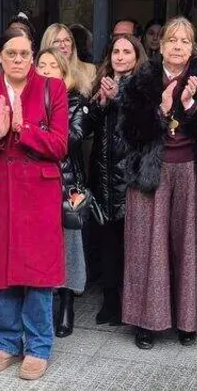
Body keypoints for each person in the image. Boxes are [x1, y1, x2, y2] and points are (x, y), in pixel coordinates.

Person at [0, 27, 69, 381]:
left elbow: (60, 145)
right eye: (11, 53)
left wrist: (24, 129)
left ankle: (38, 345)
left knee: (39, 270)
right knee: (5, 266)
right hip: (2, 190)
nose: (19, 60)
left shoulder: (52, 88)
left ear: (33, 57)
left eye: (25, 54)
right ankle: (7, 341)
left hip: (40, 192)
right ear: (0, 56)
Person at [118, 17, 197, 349]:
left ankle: (186, 321)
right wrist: (160, 110)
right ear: (160, 46)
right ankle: (146, 321)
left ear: (193, 47)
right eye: (172, 40)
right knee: (147, 246)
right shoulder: (140, 81)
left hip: (191, 170)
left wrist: (190, 105)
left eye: (185, 41)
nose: (178, 46)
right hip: (150, 172)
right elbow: (129, 133)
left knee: (188, 245)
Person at [83, 33, 144, 325]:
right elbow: (85, 127)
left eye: (127, 52)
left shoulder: (145, 84)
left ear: (137, 56)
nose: (120, 57)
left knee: (129, 243)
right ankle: (109, 301)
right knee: (106, 240)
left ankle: (128, 304)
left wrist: (119, 98)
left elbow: (143, 126)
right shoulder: (101, 82)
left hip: (130, 174)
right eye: (116, 51)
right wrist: (101, 103)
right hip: (102, 172)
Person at [35, 48, 87, 338]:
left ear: (64, 72)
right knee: (41, 245)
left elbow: (73, 139)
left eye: (52, 65)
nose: (45, 70)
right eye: (41, 64)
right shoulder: (28, 98)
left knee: (69, 244)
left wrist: (42, 129)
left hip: (67, 182)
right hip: (35, 182)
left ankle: (67, 304)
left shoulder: (75, 101)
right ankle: (44, 303)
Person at [41, 23, 97, 97]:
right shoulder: (39, 73)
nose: (63, 45)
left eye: (67, 40)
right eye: (56, 41)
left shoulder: (89, 70)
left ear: (72, 46)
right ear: (47, 46)